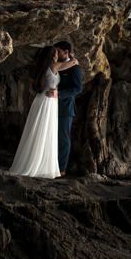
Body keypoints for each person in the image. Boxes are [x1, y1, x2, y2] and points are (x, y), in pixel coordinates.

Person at [8, 45, 78, 178]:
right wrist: (72, 58)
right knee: (45, 131)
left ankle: (35, 162)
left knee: (38, 130)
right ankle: (41, 166)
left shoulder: (42, 67)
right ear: (52, 56)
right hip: (48, 101)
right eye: (56, 53)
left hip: (41, 99)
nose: (57, 55)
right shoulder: (53, 66)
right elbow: (72, 63)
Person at [52, 39, 83, 177]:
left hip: (65, 108)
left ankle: (61, 169)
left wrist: (59, 94)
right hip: (51, 107)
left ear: (66, 52)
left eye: (58, 52)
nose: (56, 54)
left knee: (63, 139)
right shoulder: (57, 65)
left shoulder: (74, 67)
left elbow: (78, 88)